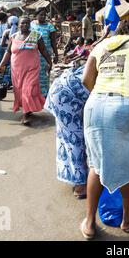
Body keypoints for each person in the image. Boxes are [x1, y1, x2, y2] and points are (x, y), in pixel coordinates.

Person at [80, 20, 129, 240]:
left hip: (94, 105)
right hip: (123, 106)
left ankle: (88, 222)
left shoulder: (102, 44)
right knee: (127, 165)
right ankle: (128, 219)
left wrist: (103, 94)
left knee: (95, 164)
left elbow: (87, 79)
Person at [0, 17, 52, 126]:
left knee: (28, 89)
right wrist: (1, 65)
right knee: (20, 91)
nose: (25, 25)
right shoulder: (13, 37)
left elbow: (43, 50)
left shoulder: (36, 36)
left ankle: (25, 115)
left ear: (30, 24)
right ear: (19, 25)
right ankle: (28, 109)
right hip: (17, 69)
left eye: (27, 23)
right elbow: (8, 53)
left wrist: (50, 62)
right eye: (23, 23)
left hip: (32, 68)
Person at [45, 65, 90, 199]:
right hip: (67, 96)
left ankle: (77, 178)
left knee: (67, 137)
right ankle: (81, 186)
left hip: (62, 90)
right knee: (75, 139)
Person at [31, 7, 59, 97]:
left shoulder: (50, 27)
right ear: (36, 15)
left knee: (45, 74)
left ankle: (44, 94)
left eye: (44, 15)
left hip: (45, 55)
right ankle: (35, 93)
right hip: (33, 54)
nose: (43, 16)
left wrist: (56, 55)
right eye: (41, 15)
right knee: (34, 74)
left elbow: (53, 42)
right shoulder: (31, 25)